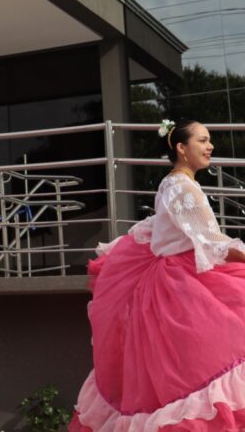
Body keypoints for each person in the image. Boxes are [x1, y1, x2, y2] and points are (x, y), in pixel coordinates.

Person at [70, 119, 245, 431]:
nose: (210, 147)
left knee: (191, 373)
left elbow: (155, 232)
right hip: (182, 286)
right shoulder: (181, 187)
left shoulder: (174, 184)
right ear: (181, 148)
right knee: (196, 370)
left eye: (209, 141)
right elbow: (209, 240)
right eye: (202, 140)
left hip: (178, 282)